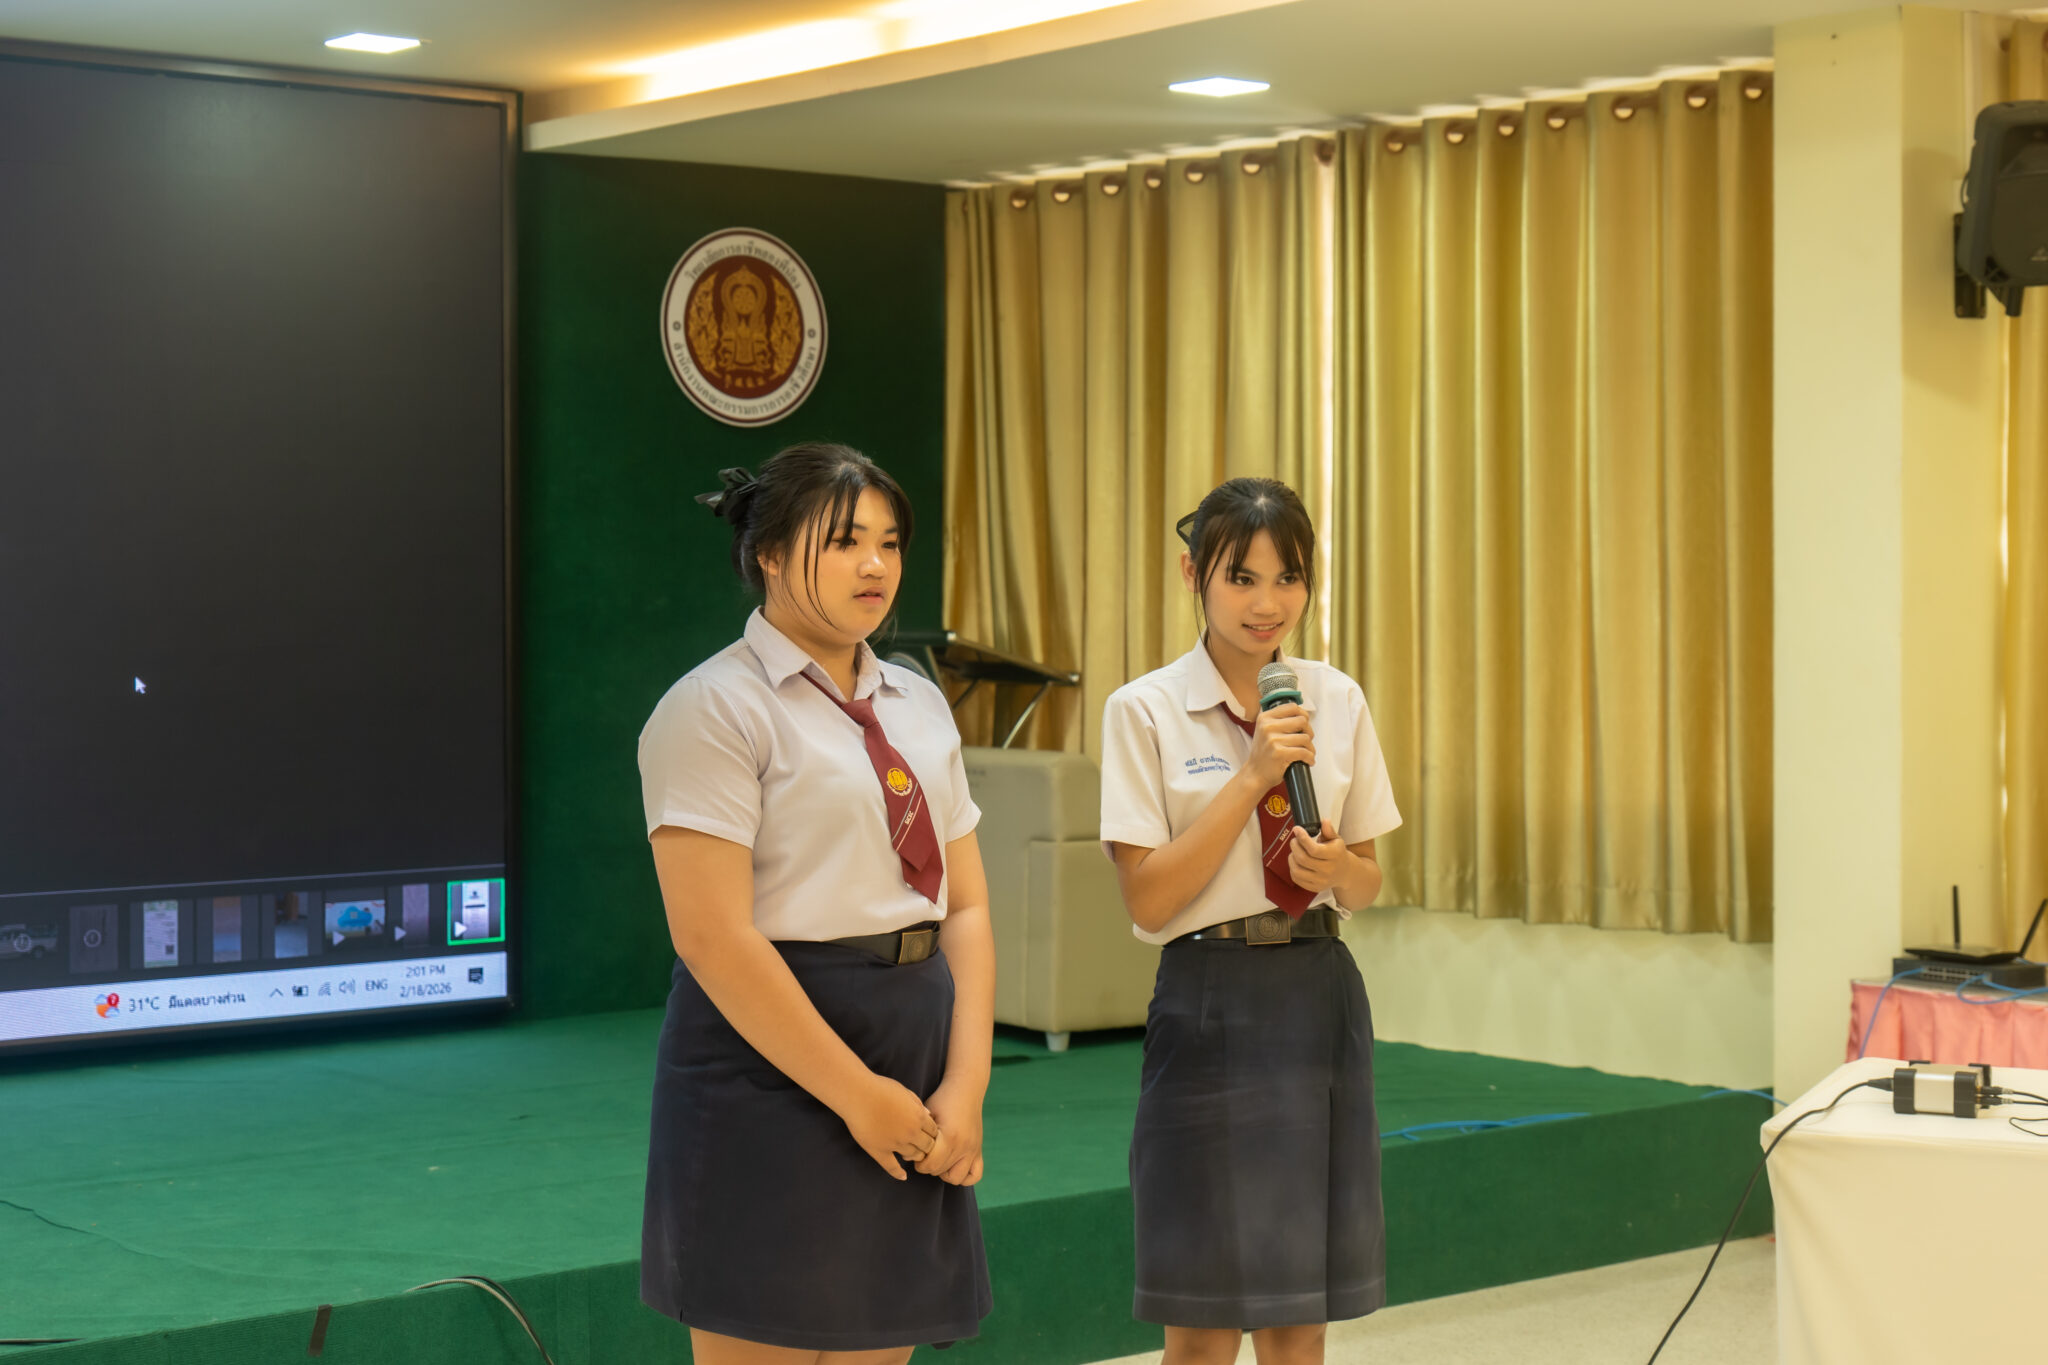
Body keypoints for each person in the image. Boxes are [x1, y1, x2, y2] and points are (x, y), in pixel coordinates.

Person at [636, 442, 996, 1365]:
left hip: (913, 1050)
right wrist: (856, 1095)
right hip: (768, 1057)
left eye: (889, 542)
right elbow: (712, 936)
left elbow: (964, 908)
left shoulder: (919, 703)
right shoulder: (713, 707)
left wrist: (967, 1083)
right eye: (843, 542)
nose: (874, 564)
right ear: (767, 553)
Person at [1099, 477, 1401, 1365]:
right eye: (1242, 577)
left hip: (1317, 992)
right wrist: (1252, 778)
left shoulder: (1336, 698)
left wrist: (1337, 870)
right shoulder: (1144, 708)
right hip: (1208, 995)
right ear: (1193, 573)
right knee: (1202, 1317)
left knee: (1300, 1314)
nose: (1268, 603)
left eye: (1288, 577)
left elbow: (1369, 881)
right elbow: (1149, 899)